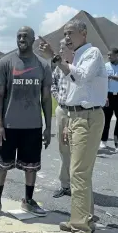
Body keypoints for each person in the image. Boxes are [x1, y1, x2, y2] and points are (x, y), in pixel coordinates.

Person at [39, 19, 107, 233]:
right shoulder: (77, 56)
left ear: (83, 33)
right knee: (79, 173)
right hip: (77, 116)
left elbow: (81, 77)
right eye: (65, 33)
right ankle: (84, 219)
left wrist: (55, 58)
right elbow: (71, 90)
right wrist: (68, 120)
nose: (66, 37)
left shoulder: (92, 53)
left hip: (88, 118)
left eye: (70, 33)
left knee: (78, 174)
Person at [0, 26, 52, 221]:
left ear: (33, 40)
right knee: (2, 165)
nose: (21, 39)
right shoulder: (6, 62)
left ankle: (28, 200)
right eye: (19, 36)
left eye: (25, 36)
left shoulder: (43, 65)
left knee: (31, 166)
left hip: (33, 126)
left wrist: (48, 127)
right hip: (9, 126)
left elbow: (46, 99)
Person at [51, 39, 74, 198]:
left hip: (77, 112)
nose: (60, 50)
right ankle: (65, 184)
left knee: (77, 150)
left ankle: (77, 186)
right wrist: (59, 99)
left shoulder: (78, 66)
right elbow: (53, 85)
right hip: (62, 110)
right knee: (63, 148)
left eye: (63, 47)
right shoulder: (58, 68)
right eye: (59, 47)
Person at [100, 48, 118, 156]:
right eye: (108, 55)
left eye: (111, 55)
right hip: (108, 96)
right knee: (105, 120)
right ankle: (103, 141)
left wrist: (111, 77)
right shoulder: (105, 66)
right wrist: (105, 96)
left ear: (117, 55)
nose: (109, 57)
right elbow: (103, 82)